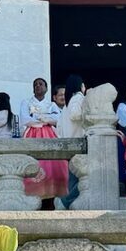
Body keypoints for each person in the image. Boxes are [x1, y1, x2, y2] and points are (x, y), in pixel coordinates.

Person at [22, 77, 67, 207]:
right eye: (35, 84)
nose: (38, 86)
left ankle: (51, 196)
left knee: (53, 164)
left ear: (46, 88)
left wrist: (42, 118)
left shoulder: (51, 104)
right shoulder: (26, 102)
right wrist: (43, 119)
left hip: (49, 134)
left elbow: (57, 118)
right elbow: (25, 118)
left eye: (41, 84)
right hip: (31, 134)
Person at [57, 73, 86, 208]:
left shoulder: (66, 104)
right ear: (80, 86)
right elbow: (76, 115)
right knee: (86, 178)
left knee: (73, 178)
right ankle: (65, 201)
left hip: (68, 144)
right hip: (79, 143)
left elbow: (59, 127)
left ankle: (68, 204)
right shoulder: (78, 98)